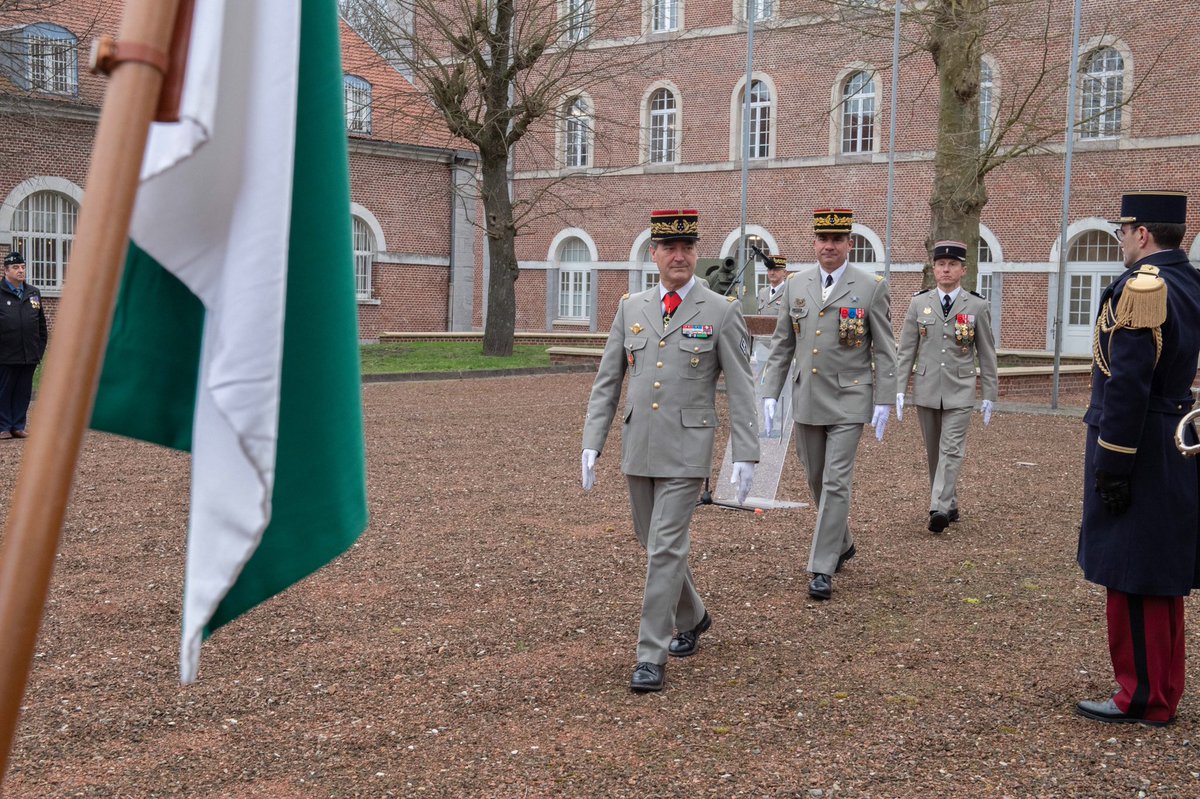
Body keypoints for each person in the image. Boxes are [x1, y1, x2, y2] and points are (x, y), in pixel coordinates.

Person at [581, 209, 760, 693]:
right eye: (669, 249)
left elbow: (742, 386)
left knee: (664, 547)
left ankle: (649, 655)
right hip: (638, 445)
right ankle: (694, 615)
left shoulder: (720, 311)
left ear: (696, 254)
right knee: (650, 539)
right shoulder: (630, 308)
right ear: (654, 255)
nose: (678, 257)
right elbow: (607, 382)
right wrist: (592, 441)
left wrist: (746, 453)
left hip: (687, 447)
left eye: (687, 249)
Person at [1075, 191, 1200, 727]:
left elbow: (1127, 384)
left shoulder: (1145, 288)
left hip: (1140, 443)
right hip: (1172, 433)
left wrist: (1113, 463)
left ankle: (1144, 696)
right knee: (1160, 573)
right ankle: (1163, 686)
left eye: (1124, 230)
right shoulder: (1188, 281)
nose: (1122, 239)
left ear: (1142, 234)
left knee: (1133, 574)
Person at [759, 208, 897, 601]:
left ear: (848, 244)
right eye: (823, 239)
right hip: (807, 397)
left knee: (837, 480)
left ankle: (821, 567)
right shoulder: (796, 284)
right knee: (817, 478)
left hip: (851, 397)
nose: (829, 246)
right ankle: (844, 540)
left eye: (837, 240)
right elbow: (784, 343)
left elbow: (886, 349)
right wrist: (770, 391)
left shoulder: (870, 287)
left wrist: (885, 398)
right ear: (814, 243)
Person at [895, 240, 999, 533]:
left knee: (951, 449)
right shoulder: (919, 303)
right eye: (941, 264)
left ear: (963, 270)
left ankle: (938, 508)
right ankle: (949, 502)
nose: (946, 269)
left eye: (952, 264)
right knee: (934, 452)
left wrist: (990, 393)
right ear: (934, 269)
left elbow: (987, 352)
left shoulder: (976, 305)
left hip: (960, 388)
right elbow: (906, 350)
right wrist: (899, 388)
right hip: (927, 388)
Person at [0, 251, 47, 439]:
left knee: (23, 392)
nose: (20, 270)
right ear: (5, 271)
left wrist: (39, 350)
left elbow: (41, 327)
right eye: (16, 267)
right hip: (5, 355)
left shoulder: (33, 293)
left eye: (22, 267)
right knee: (4, 391)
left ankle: (18, 425)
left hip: (29, 354)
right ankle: (3, 426)